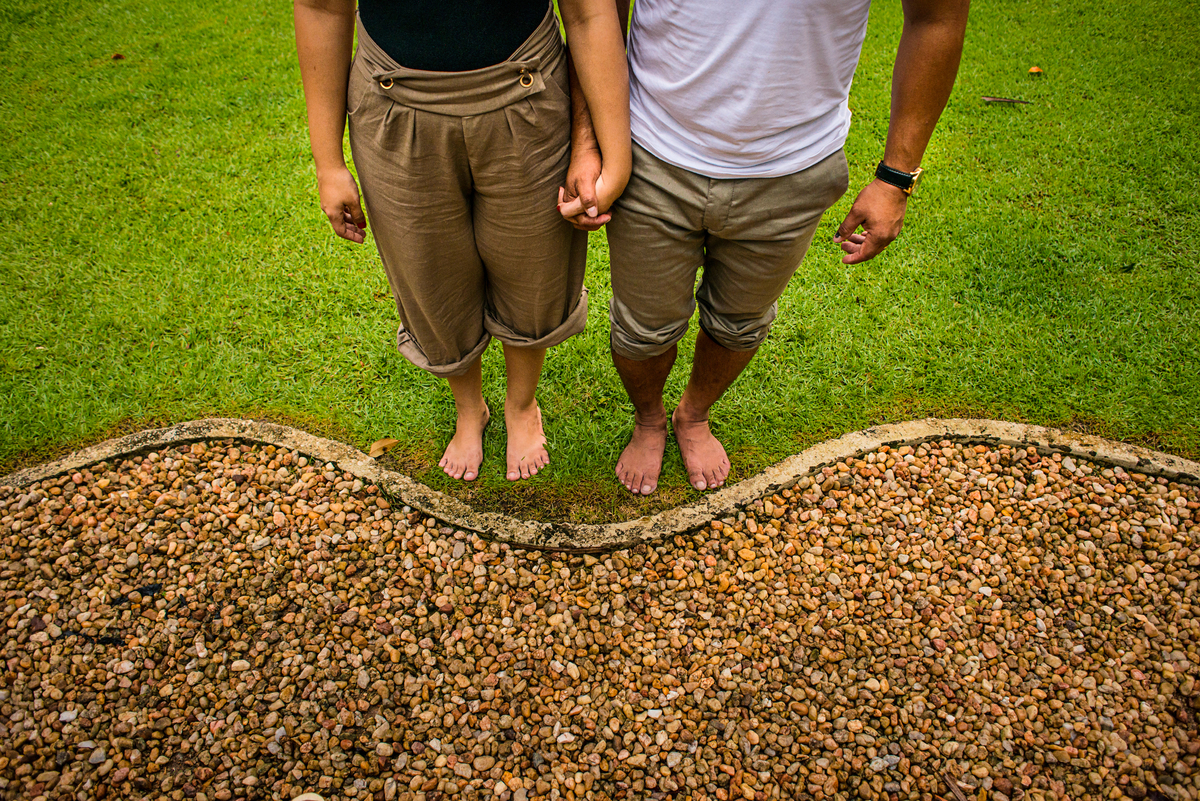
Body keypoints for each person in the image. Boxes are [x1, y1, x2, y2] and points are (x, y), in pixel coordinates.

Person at [561, 0, 970, 495]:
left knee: (740, 321)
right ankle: (648, 419)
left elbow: (937, 18)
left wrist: (896, 176)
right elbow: (593, 11)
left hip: (794, 166)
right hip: (651, 150)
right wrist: (588, 140)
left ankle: (693, 415)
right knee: (642, 330)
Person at [294, 0, 630, 482]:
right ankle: (469, 408)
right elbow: (321, 7)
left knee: (533, 265)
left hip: (527, 90)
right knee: (430, 274)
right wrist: (328, 162)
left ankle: (520, 404)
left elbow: (587, 12)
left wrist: (608, 153)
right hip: (393, 101)